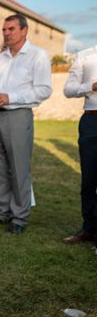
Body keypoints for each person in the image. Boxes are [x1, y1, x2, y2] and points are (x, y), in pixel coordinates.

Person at [0, 14, 51, 234]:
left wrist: (10, 97)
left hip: (18, 116)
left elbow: (44, 90)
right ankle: (2, 212)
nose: (6, 33)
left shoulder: (38, 56)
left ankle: (20, 217)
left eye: (11, 29)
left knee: (19, 168)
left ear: (24, 31)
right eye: (4, 29)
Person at [62, 44, 97, 244]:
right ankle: (88, 230)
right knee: (89, 180)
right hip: (91, 122)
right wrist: (91, 87)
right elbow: (68, 90)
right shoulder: (85, 56)